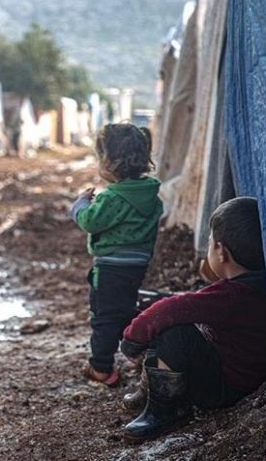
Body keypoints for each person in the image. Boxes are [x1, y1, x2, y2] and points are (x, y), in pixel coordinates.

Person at [119, 197, 266, 441]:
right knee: (177, 325)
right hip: (250, 376)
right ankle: (149, 392)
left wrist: (132, 338)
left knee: (173, 333)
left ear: (221, 252)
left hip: (225, 388)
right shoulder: (263, 285)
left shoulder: (231, 296)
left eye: (210, 241)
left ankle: (166, 410)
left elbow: (171, 309)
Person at [69, 123, 163, 387]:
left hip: (110, 267)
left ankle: (101, 367)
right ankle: (144, 350)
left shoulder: (113, 197)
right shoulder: (151, 195)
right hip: (137, 265)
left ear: (110, 162)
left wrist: (79, 206)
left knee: (104, 316)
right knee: (123, 309)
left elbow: (91, 222)